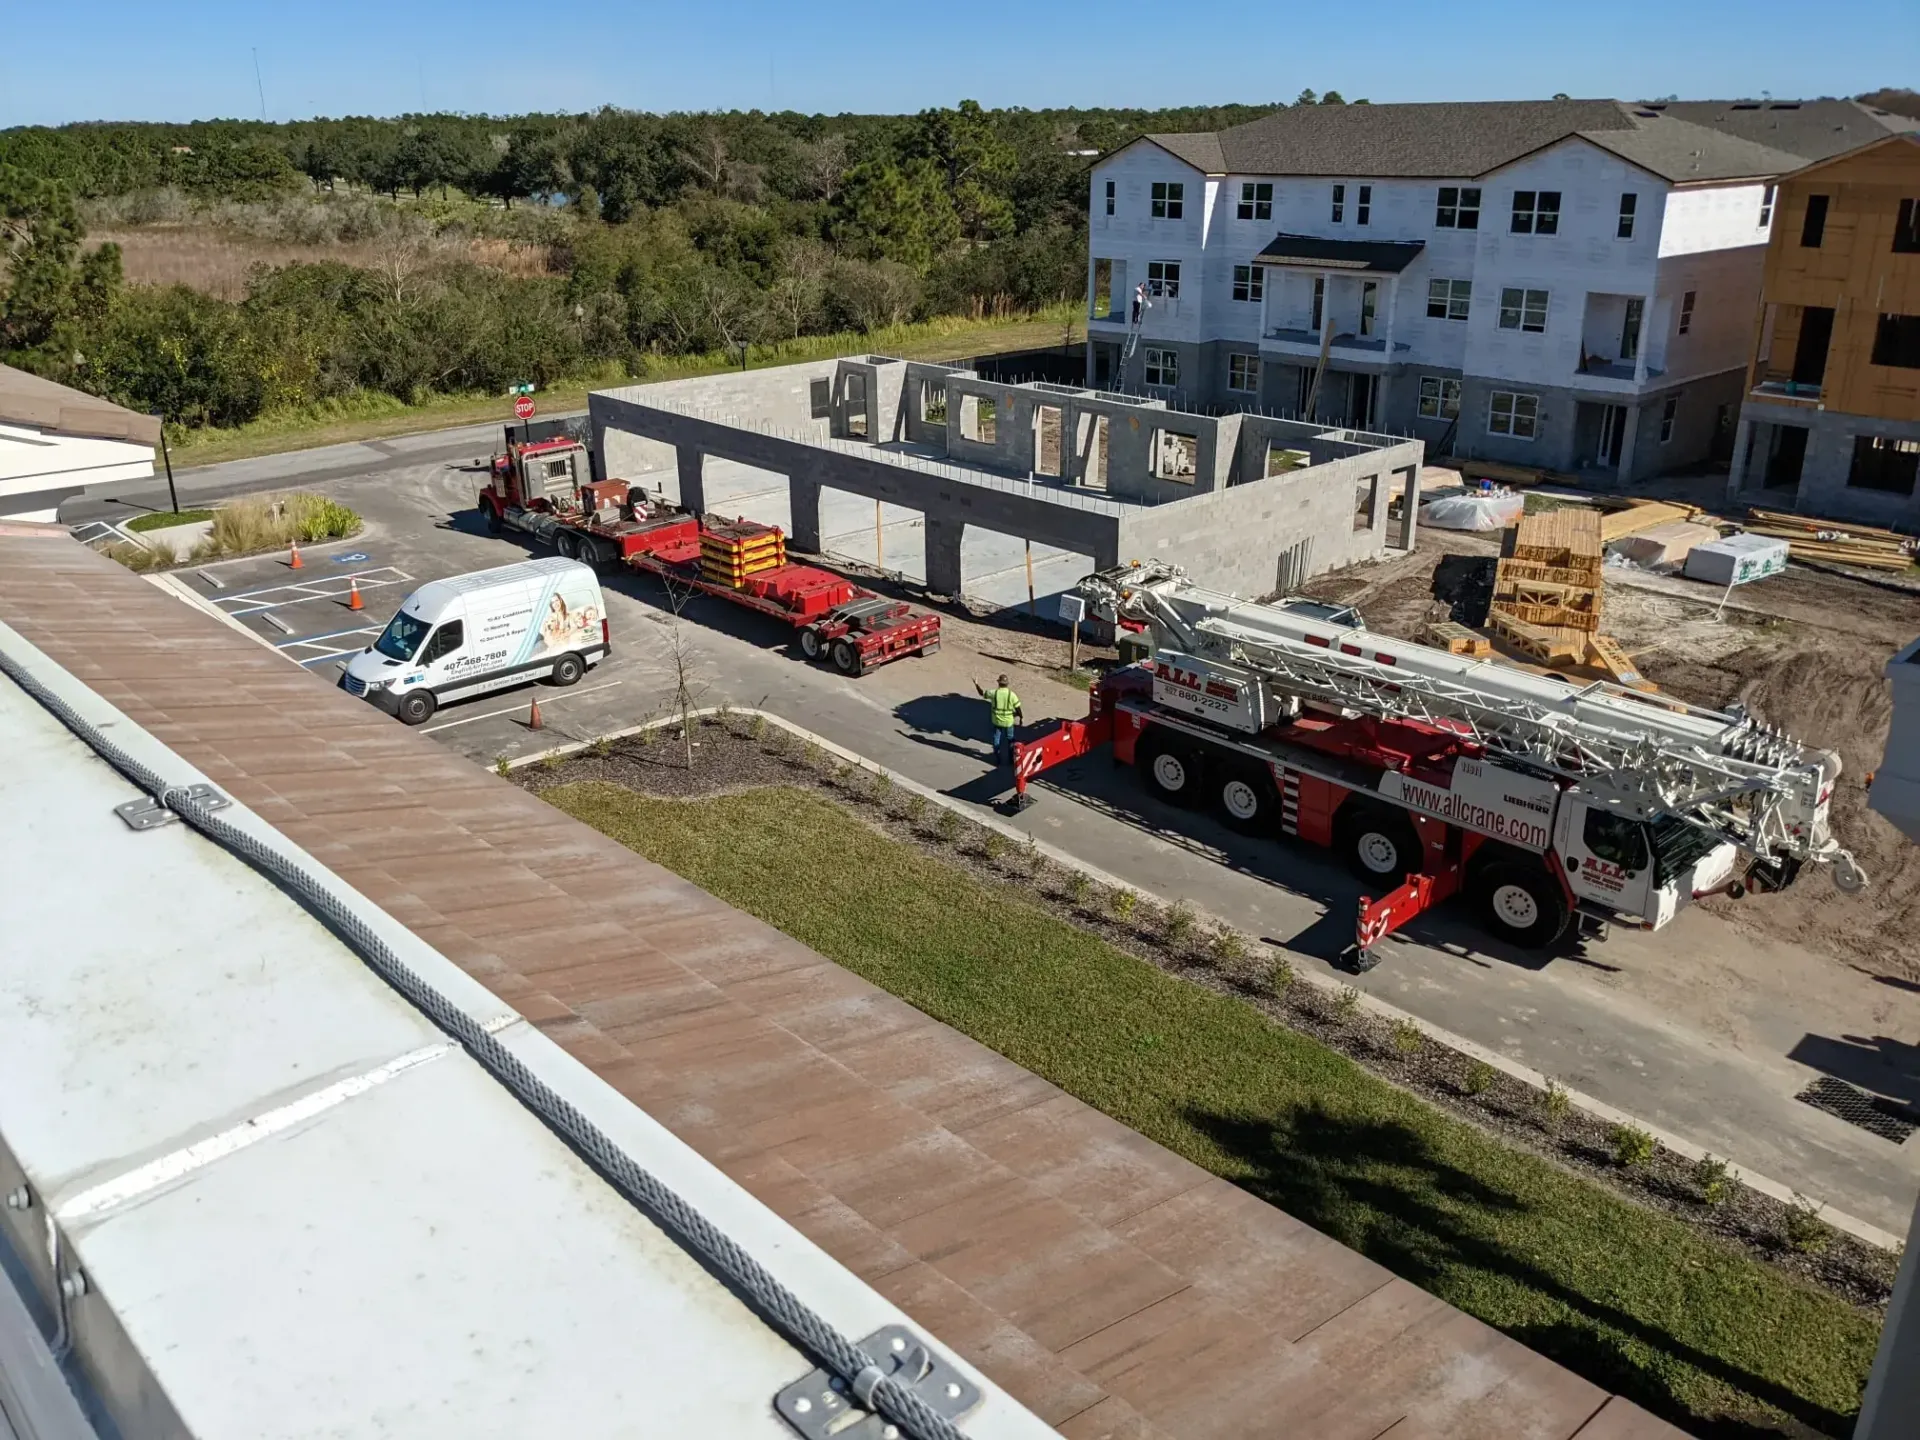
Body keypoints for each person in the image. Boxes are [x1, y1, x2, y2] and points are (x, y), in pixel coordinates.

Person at [975, 673, 1023, 766]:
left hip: (997, 721)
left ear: (999, 683)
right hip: (1009, 722)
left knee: (996, 740)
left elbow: (982, 693)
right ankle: (1011, 759)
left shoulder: (994, 693)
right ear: (1007, 684)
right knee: (1011, 740)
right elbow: (1018, 708)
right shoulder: (1012, 695)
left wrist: (976, 684)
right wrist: (1021, 717)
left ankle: (998, 758)